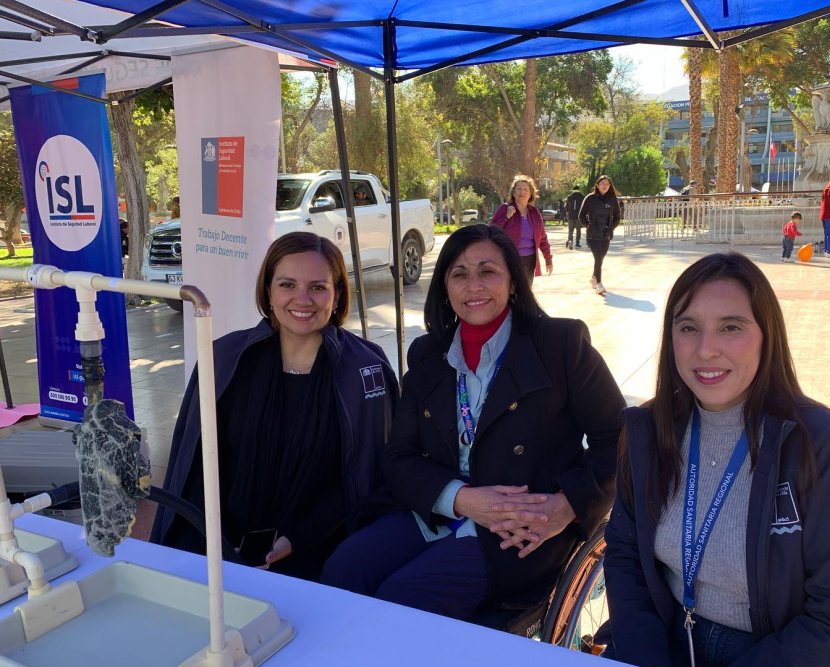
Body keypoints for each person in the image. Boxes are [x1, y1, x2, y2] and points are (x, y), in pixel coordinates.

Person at [603, 252, 830, 667]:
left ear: (766, 336)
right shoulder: (648, 432)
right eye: (689, 327)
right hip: (670, 646)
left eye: (731, 327)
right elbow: (624, 554)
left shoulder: (827, 448)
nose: (706, 350)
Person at [321, 224, 626, 620]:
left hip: (520, 527)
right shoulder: (427, 354)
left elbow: (619, 437)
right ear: (445, 287)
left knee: (404, 600)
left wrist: (568, 505)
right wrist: (462, 499)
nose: (474, 286)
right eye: (459, 274)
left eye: (488, 271)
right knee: (345, 568)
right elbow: (399, 457)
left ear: (513, 281)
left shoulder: (560, 345)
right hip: (443, 508)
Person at [152, 232, 398, 581]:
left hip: (323, 553)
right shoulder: (224, 359)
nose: (303, 299)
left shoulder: (365, 369)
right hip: (221, 549)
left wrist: (298, 537)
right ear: (268, 291)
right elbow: (194, 470)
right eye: (287, 284)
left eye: (318, 287)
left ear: (338, 295)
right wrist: (217, 546)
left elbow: (369, 479)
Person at [490, 175, 553, 285]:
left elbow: (543, 239)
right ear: (513, 193)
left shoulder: (535, 213)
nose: (522, 192)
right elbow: (491, 230)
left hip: (530, 260)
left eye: (525, 189)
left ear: (530, 194)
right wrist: (506, 217)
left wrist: (548, 259)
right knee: (511, 291)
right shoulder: (505, 209)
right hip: (510, 259)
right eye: (519, 189)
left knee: (526, 291)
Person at [578, 175, 621, 296]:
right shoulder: (590, 198)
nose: (605, 186)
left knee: (600, 258)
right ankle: (599, 284)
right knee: (598, 257)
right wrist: (588, 225)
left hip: (606, 235)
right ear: (597, 185)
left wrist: (611, 228)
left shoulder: (612, 199)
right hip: (593, 235)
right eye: (602, 183)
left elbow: (617, 217)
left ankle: (593, 278)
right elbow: (581, 216)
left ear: (610, 186)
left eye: (607, 184)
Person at [565, 184, 585, 250]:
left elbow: (566, 207)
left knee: (570, 230)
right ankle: (577, 243)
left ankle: (570, 241)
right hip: (579, 217)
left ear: (573, 190)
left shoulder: (569, 197)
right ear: (579, 189)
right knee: (578, 230)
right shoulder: (582, 197)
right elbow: (584, 207)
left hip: (571, 216)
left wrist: (568, 212)